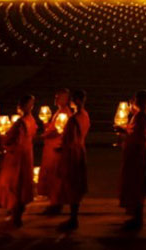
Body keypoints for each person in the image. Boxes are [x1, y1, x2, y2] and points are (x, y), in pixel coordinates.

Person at [0, 95, 37, 228]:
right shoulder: (31, 120)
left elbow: (14, 141)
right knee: (21, 185)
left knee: (13, 185)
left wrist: (3, 143)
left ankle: (16, 216)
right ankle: (17, 214)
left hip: (16, 159)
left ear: (21, 106)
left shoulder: (21, 123)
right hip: (26, 157)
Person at [118, 90, 146, 231]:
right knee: (134, 185)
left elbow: (140, 136)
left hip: (138, 155)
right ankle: (135, 216)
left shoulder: (141, 116)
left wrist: (124, 132)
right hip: (136, 153)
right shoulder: (140, 115)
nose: (134, 103)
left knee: (136, 184)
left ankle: (138, 218)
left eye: (137, 100)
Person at [56, 89, 91, 230]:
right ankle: (73, 216)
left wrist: (61, 147)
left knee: (72, 185)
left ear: (76, 101)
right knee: (76, 185)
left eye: (71, 99)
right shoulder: (85, 115)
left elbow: (68, 140)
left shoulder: (74, 119)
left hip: (72, 154)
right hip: (80, 151)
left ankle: (73, 218)